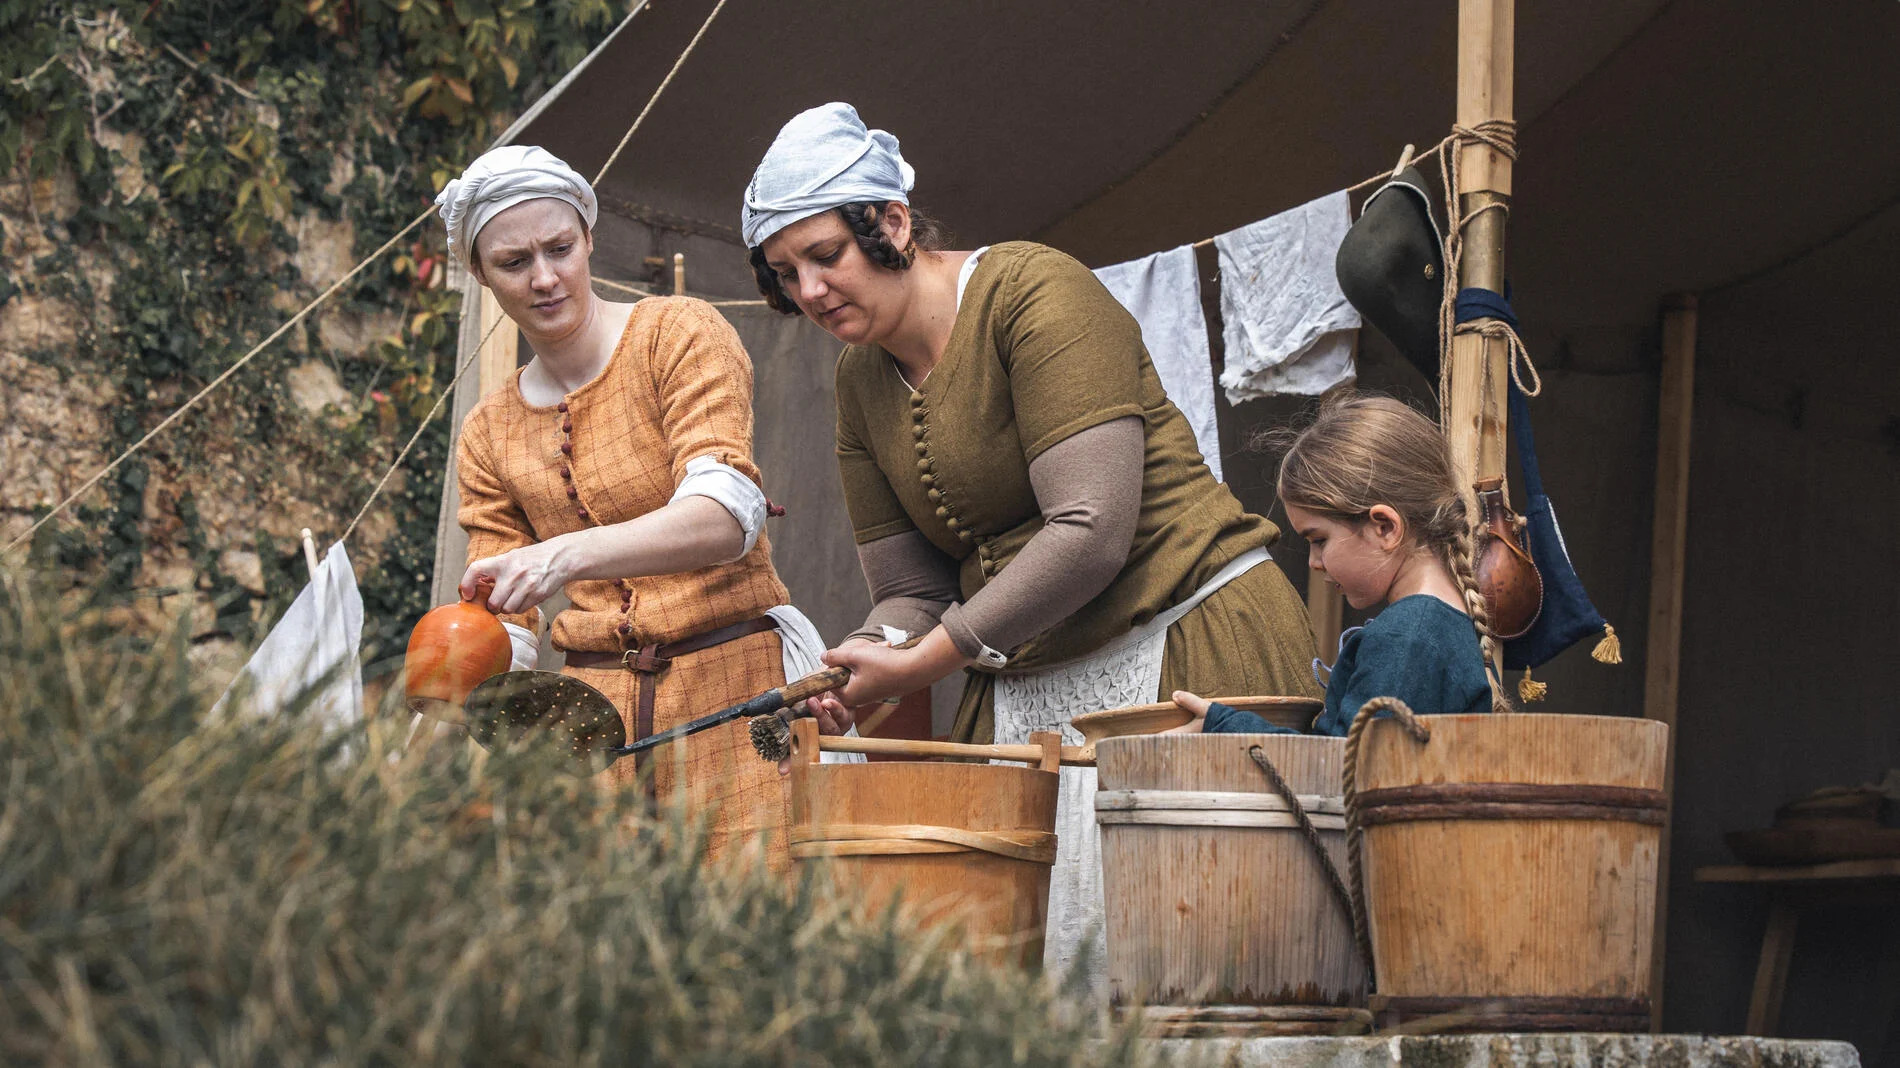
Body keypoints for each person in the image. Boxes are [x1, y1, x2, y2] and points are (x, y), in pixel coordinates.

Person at [741, 104, 1321, 988]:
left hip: (1182, 648)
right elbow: (908, 586)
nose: (810, 291)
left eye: (827, 255)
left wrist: (927, 661)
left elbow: (1090, 533)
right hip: (1021, 688)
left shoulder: (1032, 291)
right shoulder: (859, 380)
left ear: (891, 224)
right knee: (1029, 992)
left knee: (1195, 974)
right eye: (787, 274)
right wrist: (866, 656)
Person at [437, 145, 851, 873]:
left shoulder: (678, 333)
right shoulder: (487, 431)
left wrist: (561, 555)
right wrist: (465, 658)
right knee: (616, 961)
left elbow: (724, 517)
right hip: (589, 730)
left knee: (755, 938)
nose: (544, 277)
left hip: (736, 693)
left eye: (560, 248)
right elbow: (503, 611)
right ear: (479, 272)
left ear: (590, 238)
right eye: (512, 262)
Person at [1174, 392, 1512, 737]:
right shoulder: (1439, 626)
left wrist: (1223, 728)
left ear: (1386, 527)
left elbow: (1340, 773)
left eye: (1319, 540)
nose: (1314, 562)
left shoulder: (1407, 638)